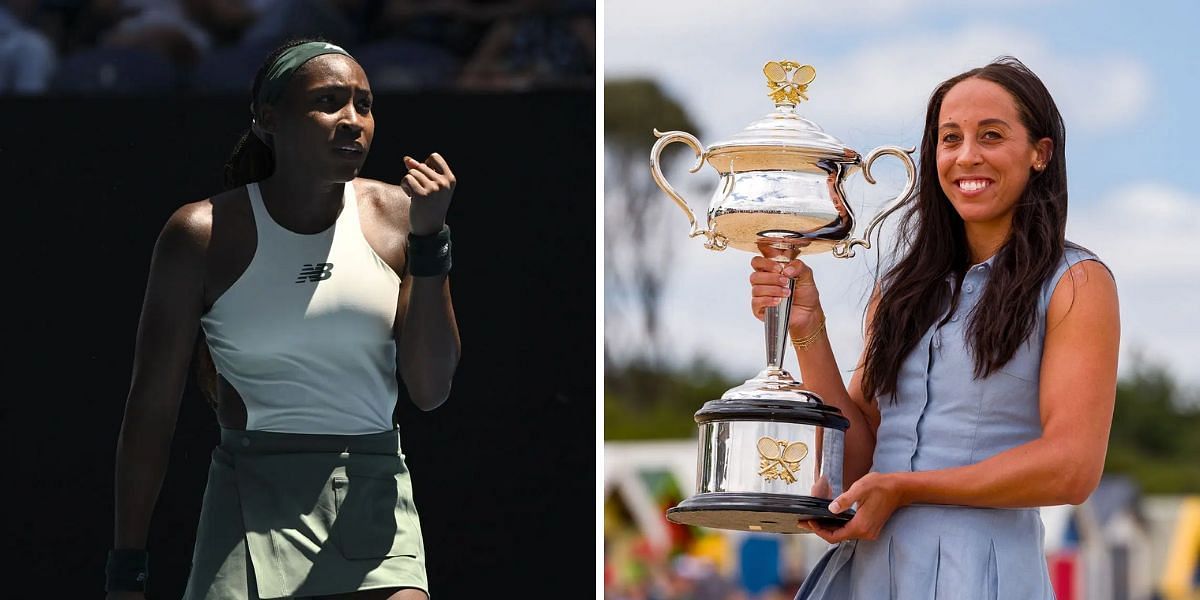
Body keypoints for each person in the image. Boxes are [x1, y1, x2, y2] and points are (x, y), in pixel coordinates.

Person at [747, 56, 1119, 598]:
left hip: (984, 575)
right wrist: (808, 327)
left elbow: (1072, 469)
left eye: (991, 135)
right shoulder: (901, 289)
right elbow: (859, 456)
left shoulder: (1076, 283)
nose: (967, 155)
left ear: (1040, 153)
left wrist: (904, 489)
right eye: (950, 138)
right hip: (869, 572)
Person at [106, 36, 460, 600]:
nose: (353, 121)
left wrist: (430, 240)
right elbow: (150, 411)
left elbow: (431, 388)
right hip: (247, 500)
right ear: (269, 118)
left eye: (364, 105)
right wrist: (127, 567)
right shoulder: (199, 235)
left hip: (372, 494)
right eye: (329, 102)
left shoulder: (402, 216)